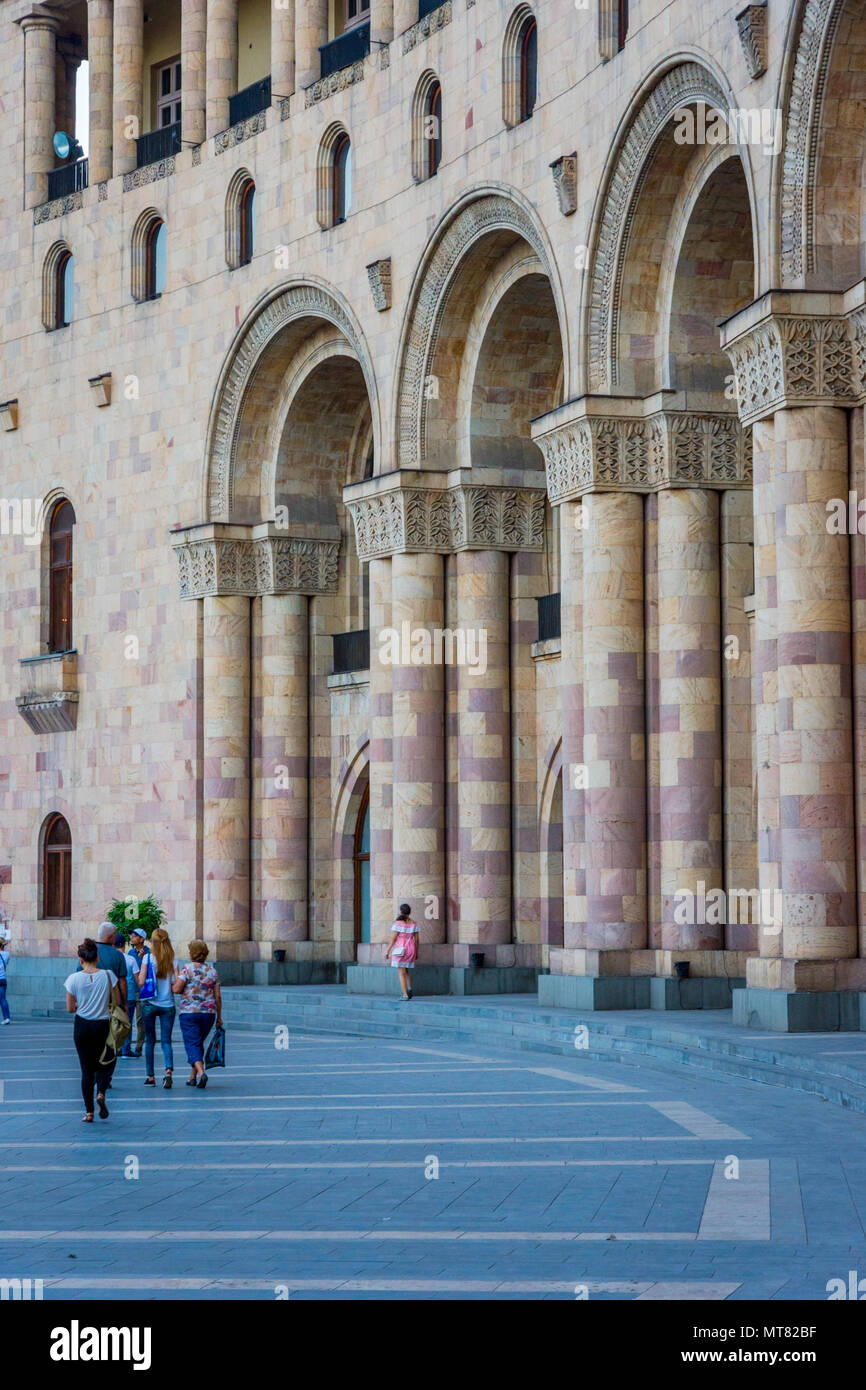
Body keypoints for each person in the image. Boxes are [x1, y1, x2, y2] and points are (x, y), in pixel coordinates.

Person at [65, 938, 121, 1121]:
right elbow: (117, 1002)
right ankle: (101, 1093)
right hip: (103, 1024)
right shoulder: (108, 975)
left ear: (80, 960)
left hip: (82, 1026)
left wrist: (83, 1005)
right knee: (104, 1063)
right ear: (97, 958)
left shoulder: (73, 979)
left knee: (86, 1069)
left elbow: (70, 1009)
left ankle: (89, 1112)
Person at [77, 923, 128, 1087]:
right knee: (109, 1045)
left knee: (89, 1049)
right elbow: (122, 982)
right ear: (112, 936)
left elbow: (80, 978)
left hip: (87, 1010)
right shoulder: (117, 956)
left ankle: (93, 1077)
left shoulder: (87, 953)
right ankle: (105, 1078)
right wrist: (124, 1004)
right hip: (110, 1008)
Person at [173, 940, 222, 1089]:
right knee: (198, 1042)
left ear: (191, 953)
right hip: (208, 1013)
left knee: (192, 1043)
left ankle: (202, 1073)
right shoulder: (213, 971)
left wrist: (175, 976)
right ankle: (192, 1077)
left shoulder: (186, 969)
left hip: (189, 1013)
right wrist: (219, 1017)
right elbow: (218, 996)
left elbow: (176, 989)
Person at [138, 926, 178, 1089]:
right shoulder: (173, 959)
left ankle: (150, 1076)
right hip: (168, 1003)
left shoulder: (147, 958)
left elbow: (141, 982)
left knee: (150, 1040)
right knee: (166, 1041)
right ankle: (168, 1072)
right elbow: (176, 982)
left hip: (150, 1003)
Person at [120, 928, 148, 1058]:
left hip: (143, 991)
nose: (131, 937)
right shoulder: (130, 953)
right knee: (129, 1020)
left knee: (140, 1020)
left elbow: (150, 972)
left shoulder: (148, 953)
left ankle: (139, 1046)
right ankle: (126, 1047)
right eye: (131, 934)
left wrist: (143, 959)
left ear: (142, 939)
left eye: (135, 935)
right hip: (131, 991)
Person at [384, 902, 420, 1001]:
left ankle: (404, 995)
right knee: (406, 970)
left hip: (401, 949)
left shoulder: (398, 923)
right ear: (409, 912)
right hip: (411, 949)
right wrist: (416, 952)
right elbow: (417, 940)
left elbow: (394, 939)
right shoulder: (414, 923)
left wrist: (387, 951)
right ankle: (409, 988)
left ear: (401, 912)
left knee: (401, 972)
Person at [0, 936, 10, 1025]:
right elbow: (6, 963)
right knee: (3, 999)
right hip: (3, 979)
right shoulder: (7, 954)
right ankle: (6, 1017)